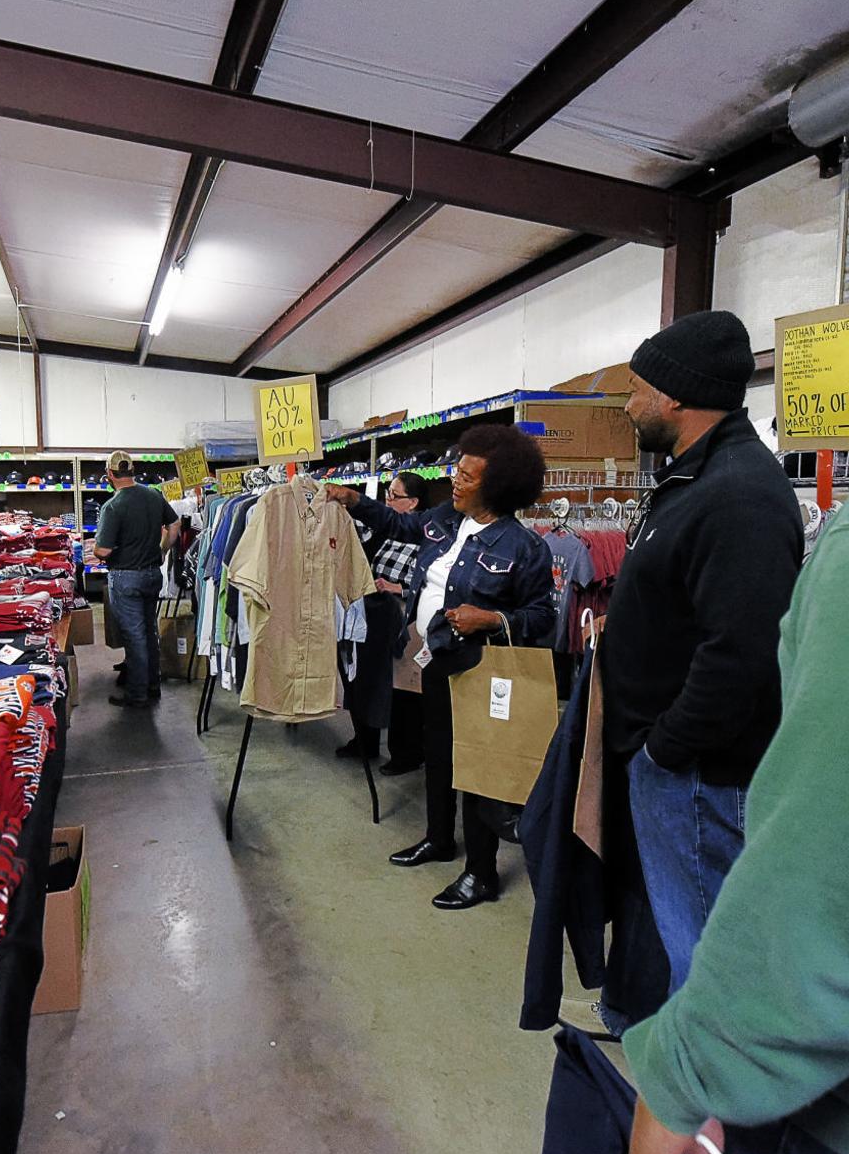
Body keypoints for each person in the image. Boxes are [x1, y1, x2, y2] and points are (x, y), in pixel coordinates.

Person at [620, 468, 849, 1154]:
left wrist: (687, 1070)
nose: (635, 398)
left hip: (840, 1121)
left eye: (645, 385)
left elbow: (829, 882)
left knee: (699, 940)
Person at [601, 310, 803, 996]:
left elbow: (740, 652)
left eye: (636, 389)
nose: (630, 406)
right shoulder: (696, 478)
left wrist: (665, 748)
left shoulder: (739, 494)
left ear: (675, 395)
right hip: (673, 766)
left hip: (697, 777)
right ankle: (663, 1044)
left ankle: (704, 1096)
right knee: (673, 927)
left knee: (707, 955)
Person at [326, 425, 553, 910]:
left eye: (467, 475)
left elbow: (543, 616)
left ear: (496, 487)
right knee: (439, 753)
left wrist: (492, 617)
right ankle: (439, 838)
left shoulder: (523, 547)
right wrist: (351, 499)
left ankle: (481, 873)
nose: (455, 480)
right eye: (457, 470)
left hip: (481, 667)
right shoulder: (445, 519)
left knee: (476, 766)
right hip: (437, 659)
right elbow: (399, 526)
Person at [335, 471, 428, 775]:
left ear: (413, 502)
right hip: (373, 610)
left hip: (405, 616)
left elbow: (431, 582)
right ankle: (365, 739)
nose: (388, 501)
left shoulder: (426, 535)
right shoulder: (386, 531)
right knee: (363, 676)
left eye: (394, 496)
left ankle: (407, 753)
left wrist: (396, 588)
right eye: (387, 494)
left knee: (403, 687)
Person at [94, 450, 180, 710]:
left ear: (110, 474)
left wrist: (95, 549)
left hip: (125, 577)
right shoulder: (153, 495)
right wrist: (162, 550)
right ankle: (153, 685)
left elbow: (104, 551)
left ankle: (137, 693)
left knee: (134, 635)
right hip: (152, 574)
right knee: (149, 631)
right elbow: (174, 525)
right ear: (132, 471)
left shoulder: (113, 506)